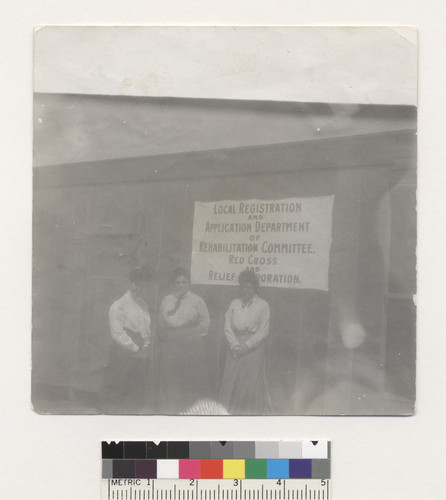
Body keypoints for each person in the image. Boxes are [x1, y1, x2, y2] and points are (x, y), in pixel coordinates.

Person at [219, 270, 273, 414]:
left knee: (249, 384)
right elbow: (227, 326)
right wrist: (235, 345)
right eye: (243, 287)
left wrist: (247, 346)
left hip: (253, 350)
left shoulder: (263, 305)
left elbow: (263, 331)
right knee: (232, 382)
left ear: (256, 289)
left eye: (249, 288)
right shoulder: (234, 303)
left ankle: (248, 416)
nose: (246, 291)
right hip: (235, 347)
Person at [158, 267, 211, 413]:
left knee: (188, 376)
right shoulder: (167, 300)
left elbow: (205, 322)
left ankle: (188, 409)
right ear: (173, 284)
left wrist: (193, 336)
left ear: (188, 283)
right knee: (171, 375)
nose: (180, 285)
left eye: (183, 282)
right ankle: (171, 408)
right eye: (177, 282)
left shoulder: (196, 300)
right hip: (171, 343)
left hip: (190, 344)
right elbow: (161, 322)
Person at [101, 266, 152, 414]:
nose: (143, 288)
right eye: (139, 284)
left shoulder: (143, 304)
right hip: (123, 352)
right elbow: (117, 333)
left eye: (145, 284)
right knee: (120, 389)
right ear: (131, 284)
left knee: (136, 392)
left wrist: (146, 345)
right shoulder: (118, 306)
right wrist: (135, 348)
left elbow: (145, 327)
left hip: (140, 351)